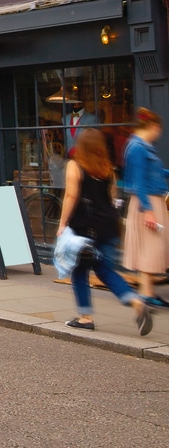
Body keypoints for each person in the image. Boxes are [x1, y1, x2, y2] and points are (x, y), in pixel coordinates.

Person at [58, 128, 152, 334]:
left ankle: (85, 317)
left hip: (85, 226)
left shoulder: (75, 165)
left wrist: (62, 223)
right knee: (105, 270)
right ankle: (135, 301)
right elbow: (112, 197)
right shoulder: (107, 168)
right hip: (108, 225)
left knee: (79, 271)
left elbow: (71, 196)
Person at [122, 107, 169, 310]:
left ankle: (147, 293)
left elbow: (154, 172)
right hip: (147, 202)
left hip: (150, 200)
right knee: (150, 248)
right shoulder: (138, 148)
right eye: (158, 129)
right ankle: (145, 295)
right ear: (152, 126)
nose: (159, 133)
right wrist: (148, 211)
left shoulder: (141, 146)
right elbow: (139, 182)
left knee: (150, 248)